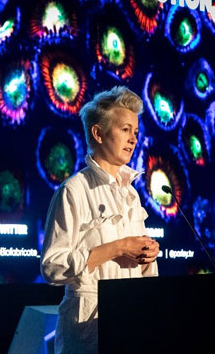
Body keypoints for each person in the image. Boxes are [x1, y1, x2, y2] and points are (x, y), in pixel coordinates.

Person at [40, 86, 160, 353]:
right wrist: (117, 248)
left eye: (136, 133)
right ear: (98, 133)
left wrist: (147, 256)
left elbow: (141, 271)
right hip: (87, 329)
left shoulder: (131, 194)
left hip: (129, 323)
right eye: (125, 130)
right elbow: (52, 266)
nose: (133, 140)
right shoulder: (74, 190)